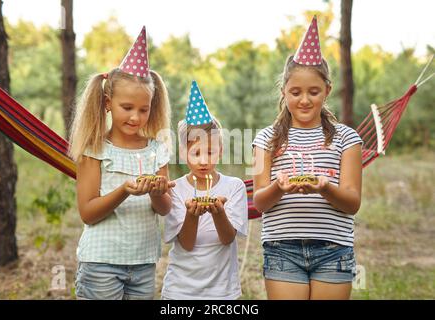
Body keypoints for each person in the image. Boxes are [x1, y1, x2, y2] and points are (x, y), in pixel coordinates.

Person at [252, 16, 363, 300]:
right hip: (281, 249)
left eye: (314, 92)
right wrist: (279, 186)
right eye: (295, 92)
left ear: (327, 90)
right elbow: (260, 202)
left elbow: (352, 203)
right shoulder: (264, 139)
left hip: (334, 250)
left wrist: (324, 186)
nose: (304, 100)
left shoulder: (347, 138)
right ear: (283, 92)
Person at [68, 26, 175, 300]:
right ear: (107, 103)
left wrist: (157, 190)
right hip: (101, 264)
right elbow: (88, 213)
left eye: (144, 109)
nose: (136, 117)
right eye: (127, 108)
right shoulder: (95, 149)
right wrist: (124, 190)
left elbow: (164, 209)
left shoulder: (157, 150)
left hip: (143, 264)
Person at [161, 81, 248, 300]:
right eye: (196, 153)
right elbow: (187, 244)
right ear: (183, 153)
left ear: (220, 151)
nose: (203, 161)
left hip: (222, 292)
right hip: (180, 291)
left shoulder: (234, 187)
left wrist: (218, 212)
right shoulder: (176, 190)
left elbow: (228, 239)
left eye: (210, 152)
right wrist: (192, 214)